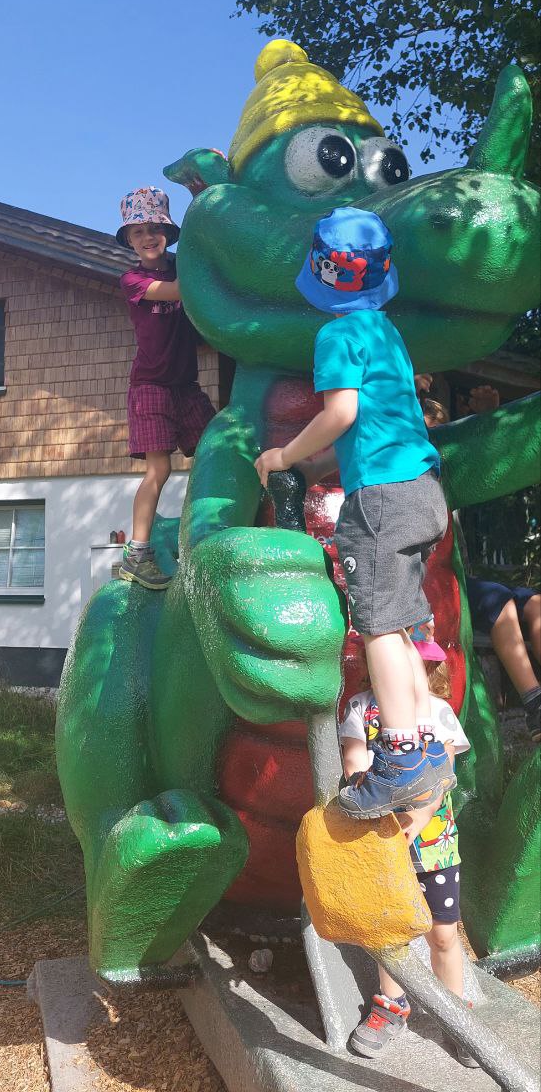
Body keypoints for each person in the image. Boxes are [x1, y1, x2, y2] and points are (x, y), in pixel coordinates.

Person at [254, 207, 455, 817]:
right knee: (401, 626)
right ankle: (427, 745)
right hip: (423, 491)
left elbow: (340, 413)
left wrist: (284, 455)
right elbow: (373, 422)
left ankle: (400, 758)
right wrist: (317, 468)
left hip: (383, 501)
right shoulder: (386, 332)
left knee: (377, 629)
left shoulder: (336, 336)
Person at [340, 623, 478, 1067]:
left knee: (443, 933)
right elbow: (353, 763)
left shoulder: (439, 712)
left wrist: (415, 823)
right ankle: (391, 1006)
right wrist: (363, 785)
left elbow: (443, 777)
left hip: (434, 843)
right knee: (391, 927)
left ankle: (456, 1014)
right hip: (382, 841)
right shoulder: (361, 708)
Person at [419, 382, 541, 740]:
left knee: (536, 602)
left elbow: (481, 457)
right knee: (500, 602)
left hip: (460, 575)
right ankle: (534, 704)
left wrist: (488, 416)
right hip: (432, 582)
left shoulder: (447, 470)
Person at [116, 186, 215, 590]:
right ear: (129, 240)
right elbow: (180, 290)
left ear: (169, 233)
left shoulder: (181, 263)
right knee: (160, 468)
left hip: (185, 385)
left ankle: (214, 524)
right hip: (151, 385)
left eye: (155, 229)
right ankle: (137, 552)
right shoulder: (133, 279)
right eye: (138, 232)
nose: (148, 237)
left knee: (214, 449)